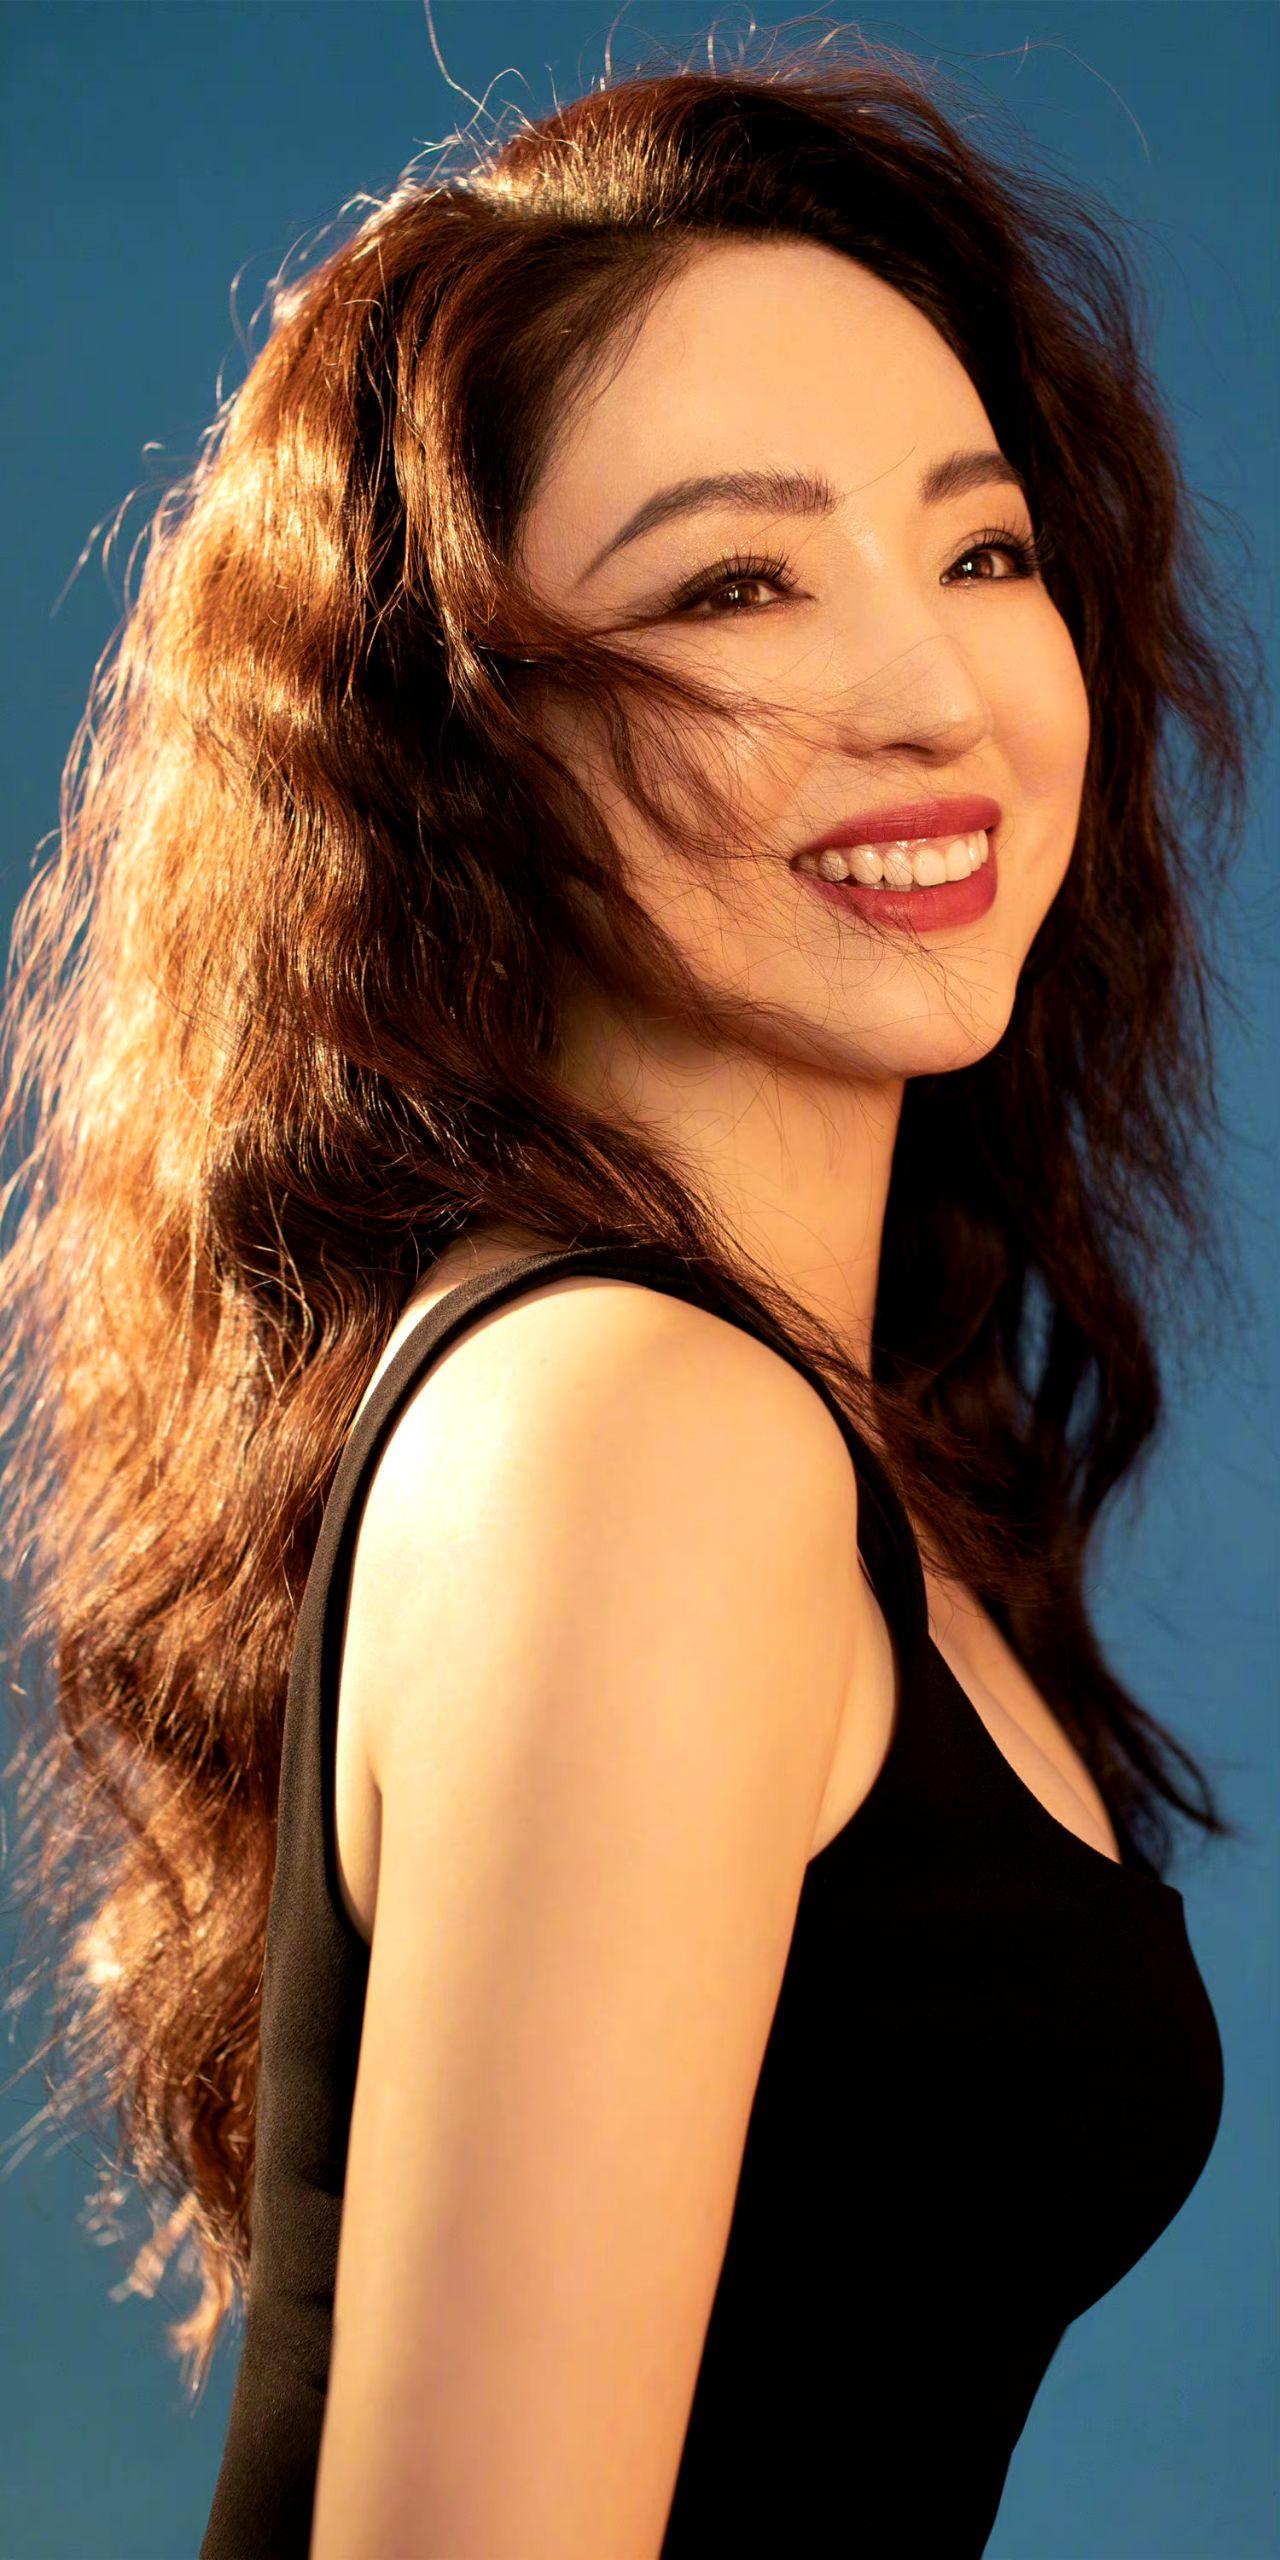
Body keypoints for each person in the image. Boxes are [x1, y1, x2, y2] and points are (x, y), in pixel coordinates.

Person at [1, 32, 1260, 2560]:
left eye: (983, 550)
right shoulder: (634, 1424)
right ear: (451, 745)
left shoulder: (768, 1405)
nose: (933, 695)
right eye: (732, 585)